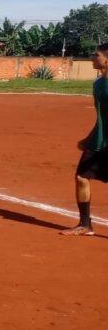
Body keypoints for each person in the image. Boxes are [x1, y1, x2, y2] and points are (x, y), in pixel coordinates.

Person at [61, 43, 108, 236]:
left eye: (96, 55)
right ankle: (85, 224)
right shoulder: (98, 84)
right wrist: (90, 138)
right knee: (82, 177)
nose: (92, 58)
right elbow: (102, 117)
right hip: (98, 142)